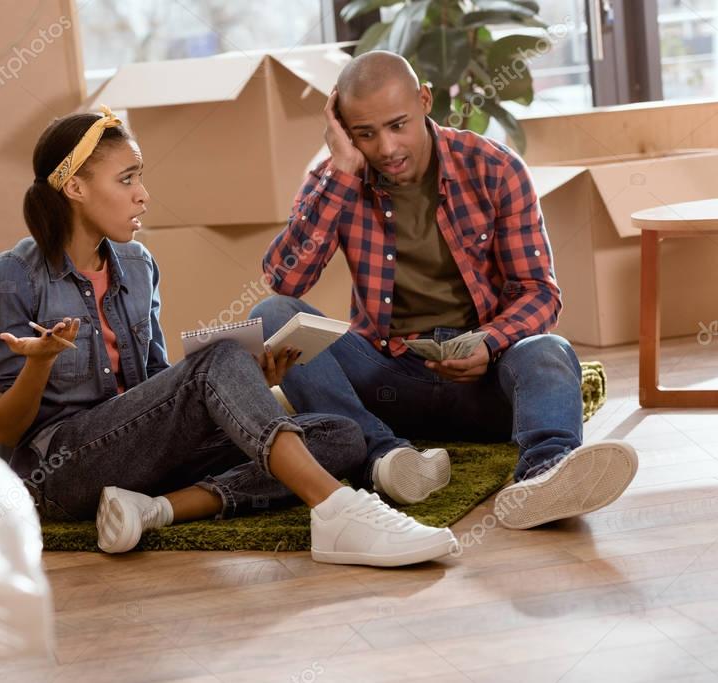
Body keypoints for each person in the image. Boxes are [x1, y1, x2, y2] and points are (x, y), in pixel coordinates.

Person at [0, 105, 458, 566]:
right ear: (74, 188)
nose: (143, 194)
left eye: (140, 176)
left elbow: (154, 389)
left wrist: (251, 383)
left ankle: (153, 510)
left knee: (338, 436)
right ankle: (336, 512)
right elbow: (7, 430)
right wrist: (39, 362)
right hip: (59, 473)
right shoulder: (14, 276)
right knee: (218, 359)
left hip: (138, 460)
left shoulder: (138, 266)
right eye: (127, 179)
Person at [250, 52, 638, 531]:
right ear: (344, 131)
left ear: (425, 100)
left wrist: (490, 342)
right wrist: (344, 171)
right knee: (274, 312)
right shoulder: (335, 179)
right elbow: (286, 279)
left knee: (548, 350)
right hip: (388, 380)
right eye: (365, 134)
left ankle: (547, 473)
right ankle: (384, 457)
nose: (386, 147)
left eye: (397, 125)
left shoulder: (493, 167)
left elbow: (540, 293)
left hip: (488, 384)